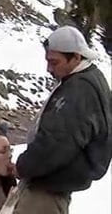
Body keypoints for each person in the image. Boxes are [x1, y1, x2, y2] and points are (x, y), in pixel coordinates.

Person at [13, 26, 112, 214]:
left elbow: (57, 141)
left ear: (75, 57)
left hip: (48, 191)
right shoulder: (84, 80)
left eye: (54, 62)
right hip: (53, 183)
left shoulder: (80, 90)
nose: (49, 69)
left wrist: (23, 166)